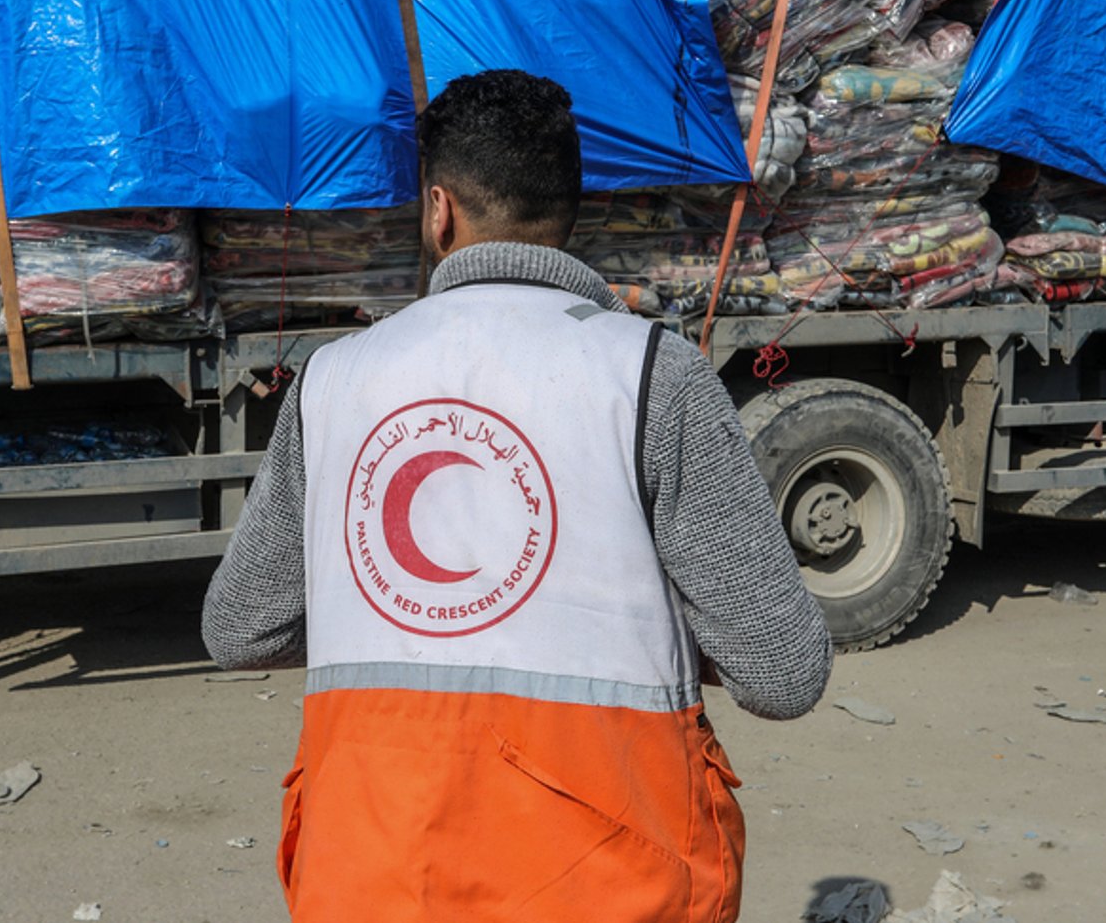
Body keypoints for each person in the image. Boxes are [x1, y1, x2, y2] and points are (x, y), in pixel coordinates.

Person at [202, 69, 831, 923]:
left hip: (372, 879)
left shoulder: (331, 379)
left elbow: (240, 629)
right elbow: (783, 672)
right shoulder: (650, 374)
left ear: (438, 210)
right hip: (607, 883)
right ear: (574, 214)